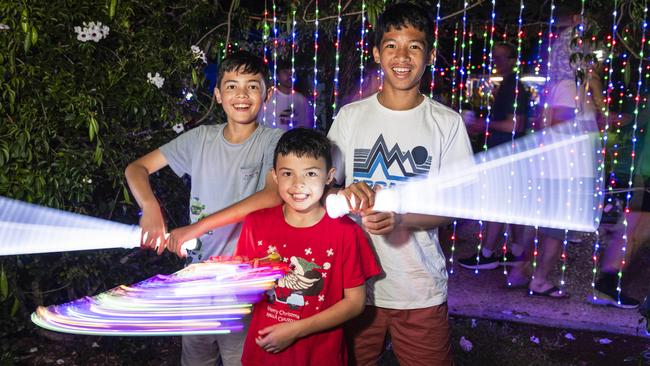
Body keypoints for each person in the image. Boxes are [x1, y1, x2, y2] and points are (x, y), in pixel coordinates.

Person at [327, 3, 474, 364]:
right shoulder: (351, 117)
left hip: (419, 289)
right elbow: (319, 187)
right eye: (391, 45)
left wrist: (401, 216)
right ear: (377, 53)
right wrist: (342, 194)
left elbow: (457, 204)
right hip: (354, 289)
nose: (402, 56)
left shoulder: (446, 123)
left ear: (429, 55)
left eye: (414, 46)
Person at [125, 51, 284, 366]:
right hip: (196, 283)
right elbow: (137, 168)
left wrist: (196, 227)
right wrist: (150, 207)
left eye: (252, 86)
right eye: (231, 86)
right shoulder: (200, 139)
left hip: (244, 287)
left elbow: (271, 196)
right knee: (197, 358)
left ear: (267, 94)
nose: (241, 95)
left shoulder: (275, 141)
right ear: (217, 95)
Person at [235, 128, 381, 365]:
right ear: (274, 176)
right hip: (263, 356)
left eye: (311, 173)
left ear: (329, 176)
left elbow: (355, 303)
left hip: (320, 356)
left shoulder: (346, 232)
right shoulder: (255, 224)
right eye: (287, 173)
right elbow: (244, 293)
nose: (297, 184)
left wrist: (295, 330)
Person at [458, 42, 532, 287]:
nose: (496, 62)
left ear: (513, 59)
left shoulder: (513, 87)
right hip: (512, 154)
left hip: (506, 154)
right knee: (512, 205)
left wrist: (481, 125)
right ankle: (516, 251)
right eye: (495, 57)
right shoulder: (510, 85)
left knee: (497, 204)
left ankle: (487, 254)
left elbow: (515, 125)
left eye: (502, 57)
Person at [258, 60, 314, 130]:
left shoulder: (301, 100)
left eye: (292, 72)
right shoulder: (268, 97)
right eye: (285, 72)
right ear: (277, 76)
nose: (290, 75)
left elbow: (307, 125)